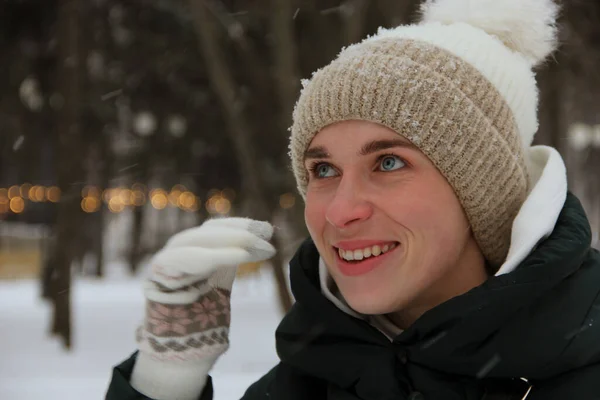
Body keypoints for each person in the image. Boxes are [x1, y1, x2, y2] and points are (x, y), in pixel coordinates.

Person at [105, 0, 600, 398]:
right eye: (323, 170)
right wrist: (163, 384)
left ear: (484, 192)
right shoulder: (306, 384)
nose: (341, 211)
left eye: (388, 163)